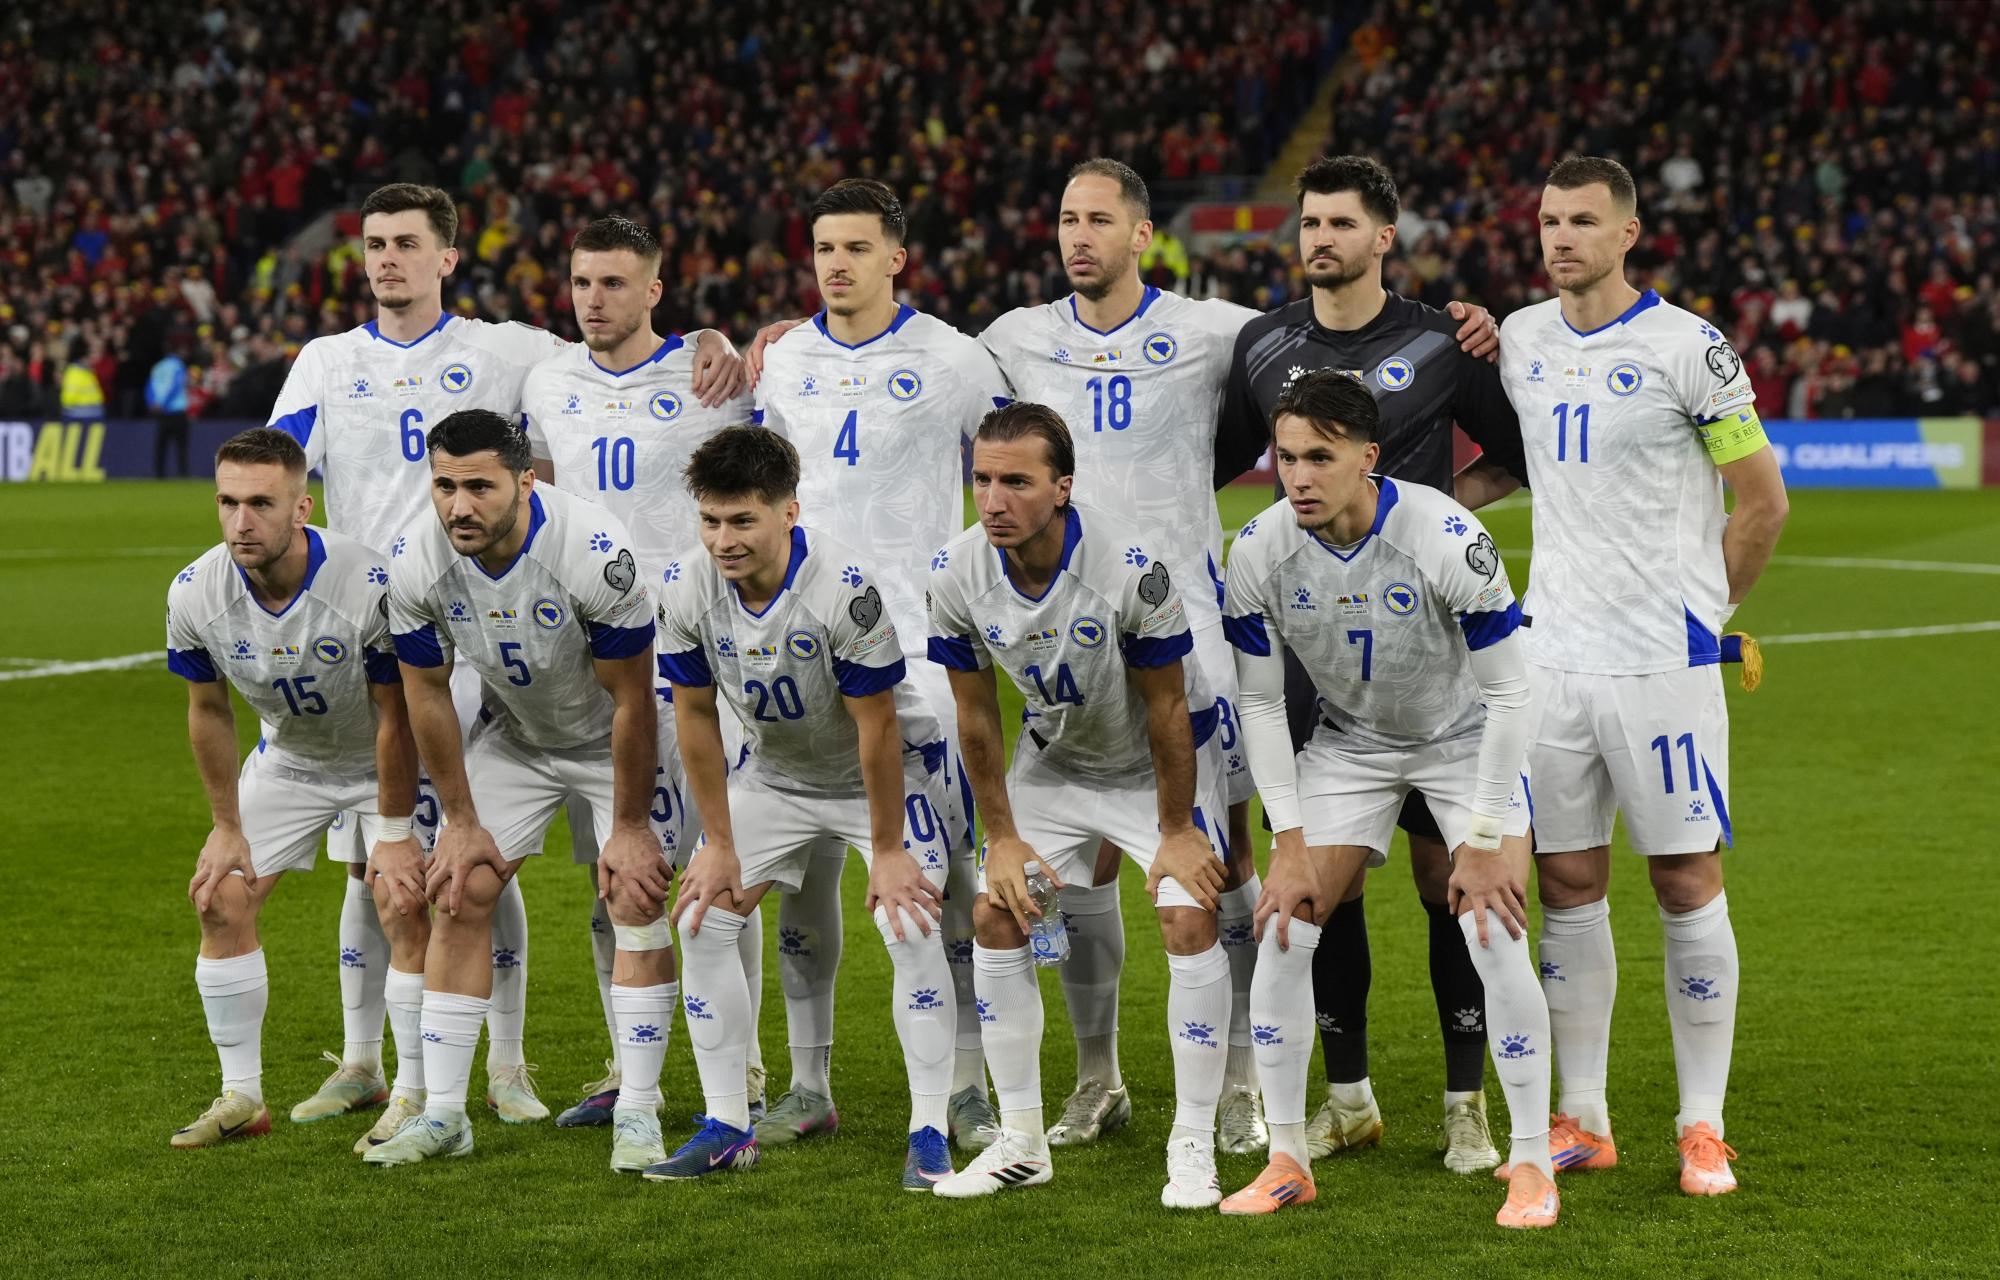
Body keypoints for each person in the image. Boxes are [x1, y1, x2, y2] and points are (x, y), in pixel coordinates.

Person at [264, 182, 743, 1130]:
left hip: (514, 632)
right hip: (383, 632)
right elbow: (276, 467)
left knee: (533, 855)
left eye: (406, 242)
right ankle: (376, 1065)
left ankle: (515, 1067)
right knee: (388, 860)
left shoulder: (510, 350)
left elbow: (617, 357)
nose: (386, 258)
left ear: (447, 258)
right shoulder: (326, 360)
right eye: (373, 243)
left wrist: (721, 341)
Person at [1213, 155, 1530, 1171]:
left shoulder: (1443, 336)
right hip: (1321, 663)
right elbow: (1219, 453)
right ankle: (1344, 1095)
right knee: (1321, 885)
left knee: (1449, 875)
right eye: (1307, 222)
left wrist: (1436, 525)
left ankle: (1465, 1101)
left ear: (1382, 236)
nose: (1319, 238)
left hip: (1429, 641)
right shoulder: (1263, 342)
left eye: (1340, 223)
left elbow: (1519, 448)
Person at [1495, 155, 1789, 1196]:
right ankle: (1584, 1115)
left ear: (1626, 233)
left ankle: (1700, 1122)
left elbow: (1759, 501)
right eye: (1546, 220)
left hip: (1660, 665)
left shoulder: (1689, 348)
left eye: (1580, 220)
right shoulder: (1520, 339)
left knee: (1683, 878)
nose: (1559, 236)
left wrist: (1705, 618)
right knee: (1566, 882)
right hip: (1552, 660)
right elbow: (1503, 460)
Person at [1218, 371, 1555, 1227]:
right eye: (1285, 457)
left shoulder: (1445, 536)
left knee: (1492, 921)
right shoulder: (1256, 549)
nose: (1298, 476)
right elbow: (1259, 702)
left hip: (1465, 737)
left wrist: (1481, 838)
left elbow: (1514, 696)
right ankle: (1289, 1156)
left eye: (1319, 459)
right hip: (1352, 742)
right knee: (1286, 920)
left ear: (1367, 459)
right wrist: (1288, 841)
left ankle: (1527, 1166)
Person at [751, 179, 1012, 1152]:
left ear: (895, 256)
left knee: (945, 881)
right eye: (822, 245)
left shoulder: (950, 358)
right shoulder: (781, 364)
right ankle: (807, 1080)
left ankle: (971, 1082)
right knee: (804, 873)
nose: (835, 263)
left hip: (923, 656)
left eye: (855, 247)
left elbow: (1013, 461)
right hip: (798, 653)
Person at [925, 403, 1232, 1208]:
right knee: (997, 912)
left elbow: (1168, 707)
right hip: (1060, 759)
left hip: (1162, 763)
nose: (993, 500)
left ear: (1062, 488)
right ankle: (1022, 1142)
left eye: (1016, 482)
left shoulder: (1130, 568)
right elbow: (977, 712)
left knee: (1189, 913)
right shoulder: (957, 571)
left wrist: (1173, 831)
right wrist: (1000, 836)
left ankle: (1196, 1139)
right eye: (982, 480)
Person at [364, 409, 674, 1172]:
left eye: (480, 486)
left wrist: (629, 825)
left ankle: (638, 1110)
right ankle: (444, 1115)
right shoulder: (414, 558)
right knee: (460, 887)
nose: (459, 506)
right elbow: (426, 694)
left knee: (635, 895)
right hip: (520, 735)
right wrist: (461, 820)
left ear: (525, 482)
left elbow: (634, 699)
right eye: (444, 486)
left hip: (616, 739)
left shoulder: (595, 553)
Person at [655, 425, 959, 1190]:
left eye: (741, 521)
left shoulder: (841, 589)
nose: (723, 540)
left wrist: (888, 852)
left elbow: (879, 726)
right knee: (702, 916)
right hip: (779, 776)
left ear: (788, 511)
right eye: (710, 520)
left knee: (914, 921)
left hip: (882, 777)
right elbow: (693, 716)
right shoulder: (687, 584)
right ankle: (727, 1125)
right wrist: (717, 841)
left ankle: (929, 1132)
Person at [521, 214, 764, 1131]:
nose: (595, 299)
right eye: (583, 282)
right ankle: (631, 1065)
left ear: (655, 289)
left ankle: (738, 1075)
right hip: (589, 665)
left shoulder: (714, 376)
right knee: (610, 878)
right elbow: (532, 497)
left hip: (692, 664)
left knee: (704, 880)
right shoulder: (547, 380)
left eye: (615, 283)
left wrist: (735, 338)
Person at [166, 427, 426, 1150]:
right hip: (290, 760)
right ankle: (242, 1096)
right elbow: (208, 710)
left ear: (301, 507)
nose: (240, 522)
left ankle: (411, 1096)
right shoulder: (195, 591)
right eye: (227, 503)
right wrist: (226, 825)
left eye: (260, 503)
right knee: (219, 898)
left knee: (404, 904)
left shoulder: (367, 584)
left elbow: (395, 714)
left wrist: (397, 831)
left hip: (384, 760)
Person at [148, 339, 192, 478]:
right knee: (181, 446)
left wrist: (153, 403)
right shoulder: (178, 365)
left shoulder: (157, 367)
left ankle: (159, 475)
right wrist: (164, 403)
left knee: (161, 446)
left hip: (161, 413)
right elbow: (176, 386)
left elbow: (149, 387)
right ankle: (183, 474)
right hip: (177, 411)